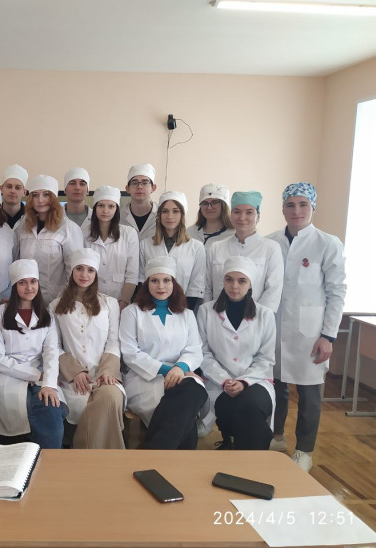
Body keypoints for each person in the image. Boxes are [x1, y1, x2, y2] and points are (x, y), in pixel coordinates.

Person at [267, 183, 346, 472]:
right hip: (274, 328)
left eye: (303, 204)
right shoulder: (270, 242)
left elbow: (337, 292)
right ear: (283, 209)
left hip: (311, 333)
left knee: (310, 395)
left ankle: (304, 450)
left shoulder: (328, 243)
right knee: (275, 388)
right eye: (290, 205)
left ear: (313, 207)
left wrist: (328, 336)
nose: (297, 210)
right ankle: (276, 437)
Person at [120, 257, 208, 449]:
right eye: (155, 280)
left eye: (166, 280)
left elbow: (194, 349)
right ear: (146, 284)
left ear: (174, 283)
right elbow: (130, 353)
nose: (161, 286)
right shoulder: (131, 313)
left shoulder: (187, 314)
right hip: (144, 378)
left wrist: (180, 368)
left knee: (191, 391)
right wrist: (169, 370)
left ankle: (152, 451)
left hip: (182, 375)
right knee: (183, 414)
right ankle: (178, 458)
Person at [197, 256, 276, 450]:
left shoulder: (265, 315)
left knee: (250, 404)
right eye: (229, 279)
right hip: (218, 382)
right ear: (223, 281)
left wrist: (244, 381)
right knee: (232, 406)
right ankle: (248, 454)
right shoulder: (206, 311)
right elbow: (203, 353)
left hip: (256, 381)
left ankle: (238, 451)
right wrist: (225, 380)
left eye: (242, 281)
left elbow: (265, 359)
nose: (234, 286)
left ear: (250, 284)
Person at [51, 248, 125, 449]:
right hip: (72, 379)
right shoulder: (55, 306)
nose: (84, 275)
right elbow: (54, 346)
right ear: (71, 271)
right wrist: (75, 372)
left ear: (96, 274)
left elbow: (113, 340)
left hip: (105, 376)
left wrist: (107, 371)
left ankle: (84, 453)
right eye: (79, 269)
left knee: (110, 398)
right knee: (80, 403)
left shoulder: (109, 304)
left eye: (90, 270)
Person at [0, 259, 67, 448]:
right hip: (9, 376)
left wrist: (48, 384)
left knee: (50, 409)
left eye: (33, 281)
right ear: (15, 286)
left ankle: (49, 460)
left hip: (41, 375)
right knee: (22, 412)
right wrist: (36, 375)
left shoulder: (47, 314)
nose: (29, 287)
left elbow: (51, 352)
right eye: (22, 282)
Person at [205, 191, 284, 312]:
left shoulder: (271, 248)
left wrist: (258, 318)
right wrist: (209, 314)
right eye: (237, 212)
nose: (242, 217)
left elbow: (273, 290)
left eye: (249, 212)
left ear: (258, 216)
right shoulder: (215, 248)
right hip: (217, 316)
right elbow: (206, 287)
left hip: (255, 317)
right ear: (231, 215)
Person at [16, 174, 84, 300]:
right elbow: (16, 260)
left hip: (56, 299)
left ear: (53, 198)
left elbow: (74, 269)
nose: (40, 200)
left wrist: (65, 300)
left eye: (46, 195)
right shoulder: (23, 226)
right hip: (26, 297)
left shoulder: (68, 228)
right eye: (35, 195)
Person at [139, 191, 205, 310]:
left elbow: (195, 287)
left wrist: (182, 312)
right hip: (150, 309)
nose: (170, 216)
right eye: (165, 211)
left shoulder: (197, 247)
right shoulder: (144, 245)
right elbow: (141, 280)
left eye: (175, 211)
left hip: (182, 309)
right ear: (159, 215)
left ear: (182, 215)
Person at [81, 185, 138, 309]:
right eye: (101, 205)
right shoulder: (84, 233)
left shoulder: (129, 233)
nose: (105, 210)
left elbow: (132, 275)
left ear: (116, 209)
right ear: (95, 208)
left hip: (120, 300)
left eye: (111, 206)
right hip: (90, 301)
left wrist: (122, 303)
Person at [122, 163, 158, 241]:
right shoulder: (118, 217)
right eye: (134, 183)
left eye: (145, 183)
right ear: (127, 188)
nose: (139, 187)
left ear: (153, 188)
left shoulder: (162, 215)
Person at [0, 164, 28, 229]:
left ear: (24, 192)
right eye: (9, 186)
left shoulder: (32, 218)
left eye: (17, 188)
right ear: (1, 189)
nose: (12, 191)